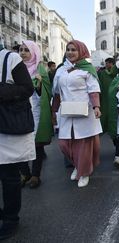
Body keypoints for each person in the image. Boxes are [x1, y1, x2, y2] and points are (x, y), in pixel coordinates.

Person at [52, 40, 102, 188]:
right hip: (67, 111)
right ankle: (77, 165)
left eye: (74, 49)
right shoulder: (61, 69)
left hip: (85, 111)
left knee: (83, 144)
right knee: (64, 144)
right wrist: (54, 110)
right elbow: (56, 92)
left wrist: (96, 107)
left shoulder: (87, 69)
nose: (70, 52)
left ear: (81, 51)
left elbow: (93, 90)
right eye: (68, 49)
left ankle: (84, 172)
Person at [0, 38, 35, 240]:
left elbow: (26, 88)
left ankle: (11, 219)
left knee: (9, 176)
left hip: (7, 127)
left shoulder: (10, 58)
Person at [18, 40, 53, 188]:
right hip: (18, 112)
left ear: (33, 52)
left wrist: (39, 85)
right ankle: (25, 173)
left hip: (36, 111)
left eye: (27, 50)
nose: (23, 53)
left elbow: (47, 91)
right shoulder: (15, 68)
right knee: (19, 145)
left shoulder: (40, 70)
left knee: (37, 145)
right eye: (21, 50)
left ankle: (35, 175)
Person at [98, 57, 118, 133]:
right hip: (104, 95)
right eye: (106, 63)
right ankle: (104, 128)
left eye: (108, 63)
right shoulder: (102, 72)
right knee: (104, 111)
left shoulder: (116, 73)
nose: (107, 65)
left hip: (113, 95)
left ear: (113, 64)